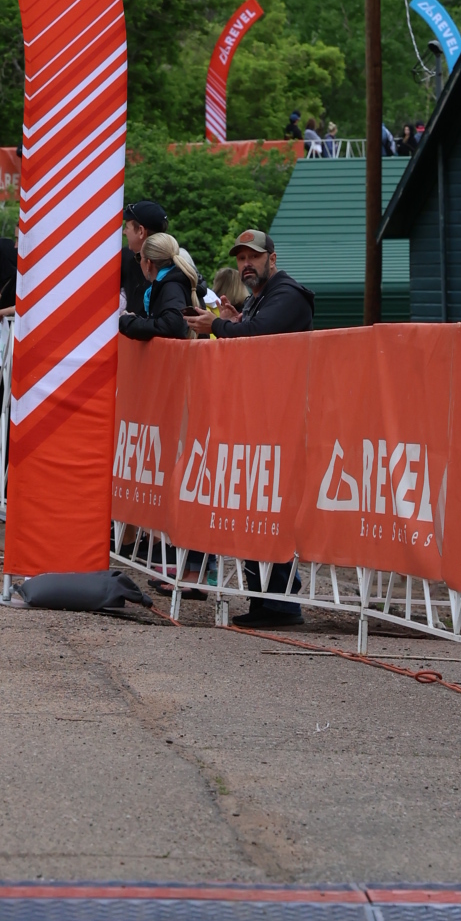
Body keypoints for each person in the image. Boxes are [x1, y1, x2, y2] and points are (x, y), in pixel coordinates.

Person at [185, 227, 314, 627]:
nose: (246, 264)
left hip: (282, 422)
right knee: (257, 510)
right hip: (262, 418)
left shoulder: (287, 294)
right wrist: (233, 321)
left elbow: (259, 336)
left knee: (274, 511)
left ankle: (280, 605)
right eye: (241, 258)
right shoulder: (262, 298)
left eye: (253, 257)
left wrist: (217, 326)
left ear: (272, 259)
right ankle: (265, 601)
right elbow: (255, 336)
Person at [116, 233, 195, 341]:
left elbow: (173, 326)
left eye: (139, 257)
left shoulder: (171, 287)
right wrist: (135, 319)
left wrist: (128, 322)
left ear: (148, 264)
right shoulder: (172, 282)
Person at [120, 199, 168, 314]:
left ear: (141, 231)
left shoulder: (171, 271)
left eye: (127, 227)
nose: (124, 232)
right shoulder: (175, 264)